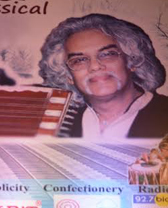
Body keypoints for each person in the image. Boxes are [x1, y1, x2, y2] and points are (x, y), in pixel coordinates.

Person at [39, 13, 168, 138]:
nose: (95, 66)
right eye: (79, 60)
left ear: (131, 61)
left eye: (107, 54)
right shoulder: (54, 125)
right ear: (68, 76)